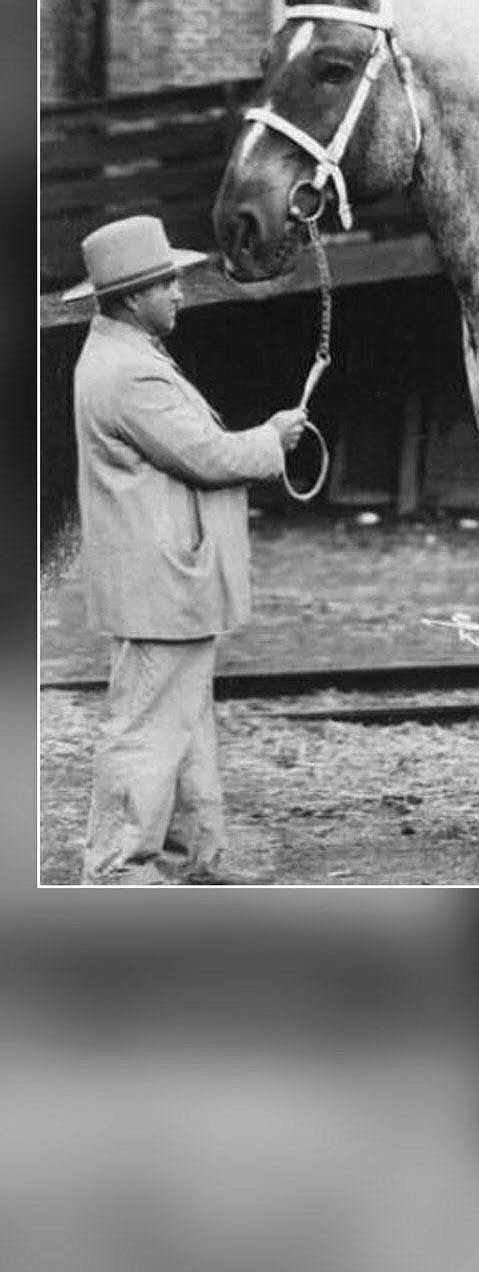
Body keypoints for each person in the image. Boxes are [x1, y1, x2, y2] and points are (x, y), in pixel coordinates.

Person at [63, 215, 307, 884]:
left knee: (183, 726)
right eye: (166, 282)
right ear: (131, 296)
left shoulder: (125, 354)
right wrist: (272, 439)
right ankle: (117, 872)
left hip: (165, 580)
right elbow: (207, 455)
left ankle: (193, 859)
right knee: (147, 730)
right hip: (160, 582)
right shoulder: (128, 373)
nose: (179, 292)